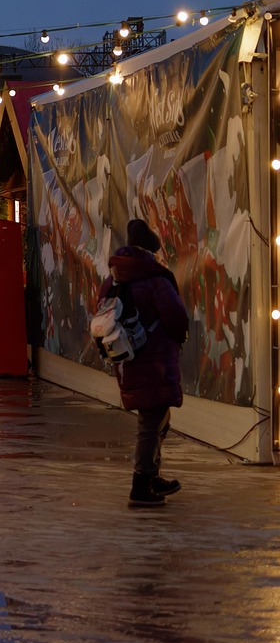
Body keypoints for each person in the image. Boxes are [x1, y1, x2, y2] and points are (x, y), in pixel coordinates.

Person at [100, 218, 189, 508]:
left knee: (155, 417)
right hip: (156, 360)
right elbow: (176, 318)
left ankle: (151, 474)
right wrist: (178, 339)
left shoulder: (113, 279)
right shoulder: (156, 280)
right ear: (150, 250)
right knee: (151, 420)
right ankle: (142, 485)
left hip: (127, 358)